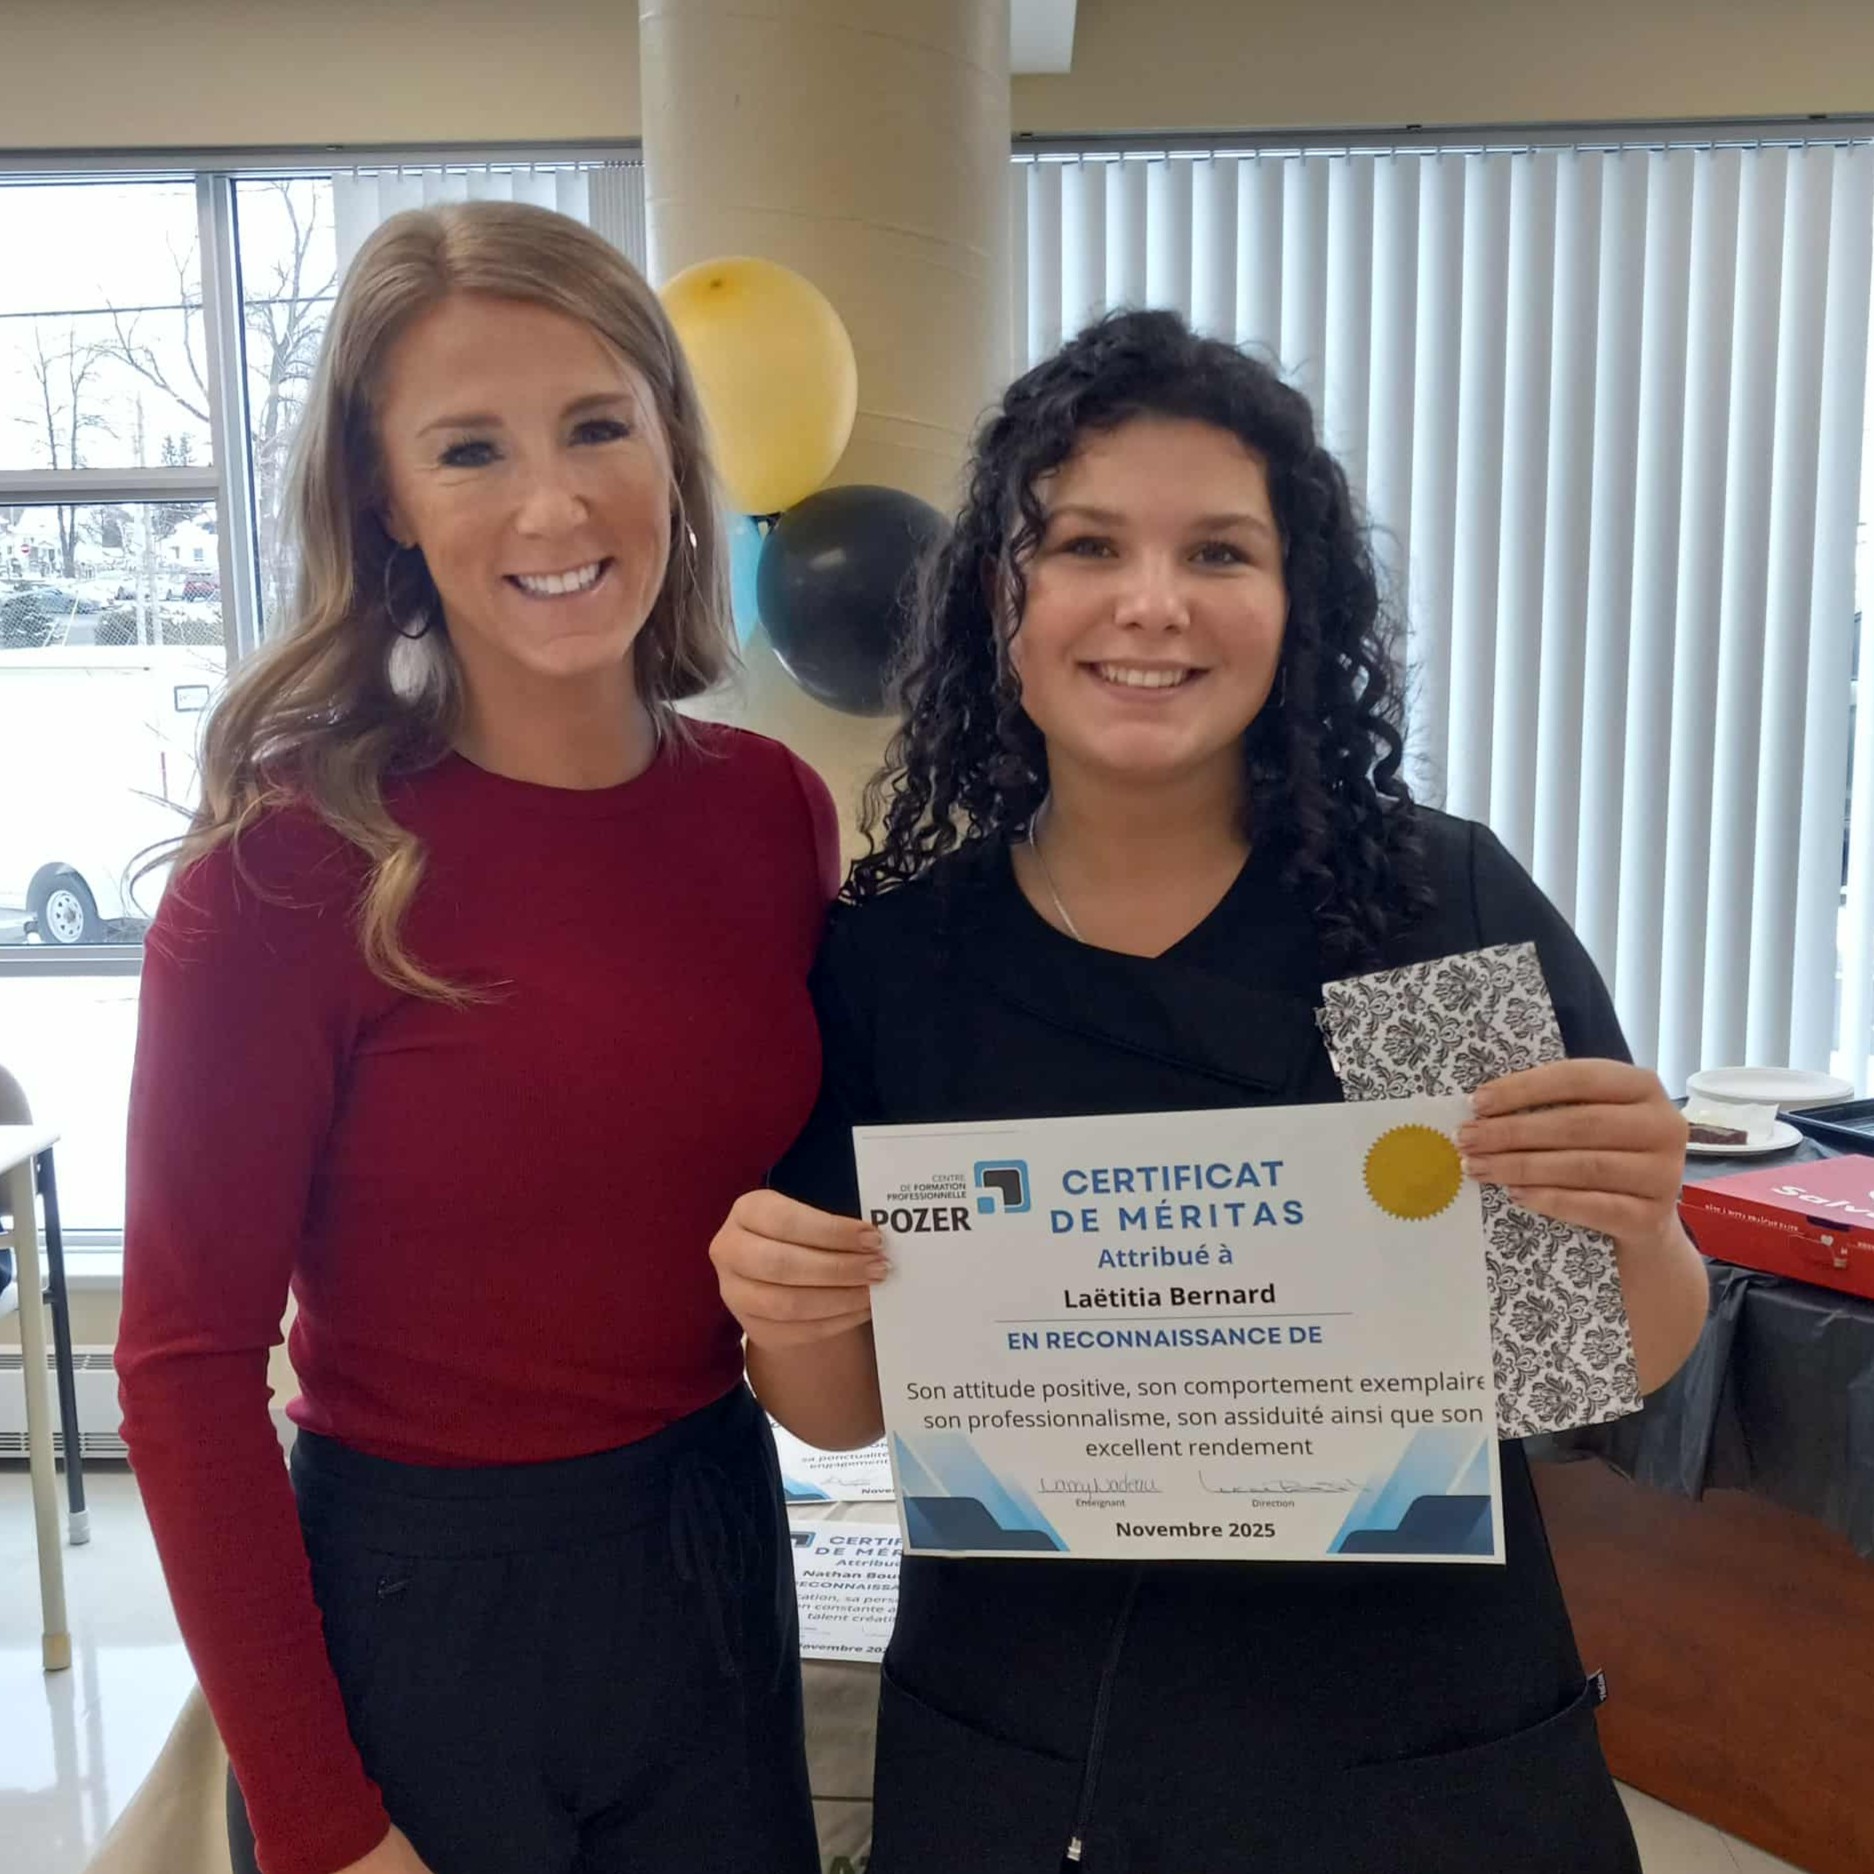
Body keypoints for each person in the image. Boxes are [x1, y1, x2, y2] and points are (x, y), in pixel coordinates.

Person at [710, 309, 1709, 1873]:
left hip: (1417, 1742)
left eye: (1220, 552)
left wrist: (1637, 1224)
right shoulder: (900, 959)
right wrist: (782, 1299)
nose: (1152, 603)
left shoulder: (1426, 907)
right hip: (1034, 1741)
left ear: (1295, 602)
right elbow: (841, 1407)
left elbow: (1598, 1358)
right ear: (999, 597)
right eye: (1087, 544)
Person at [117, 201, 830, 1874]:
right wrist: (319, 1824)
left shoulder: (771, 814)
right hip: (412, 1616)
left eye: (596, 425)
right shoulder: (285, 874)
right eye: (468, 449)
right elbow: (184, 1371)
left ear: (672, 443)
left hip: (711, 1558)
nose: (553, 504)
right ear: (385, 498)